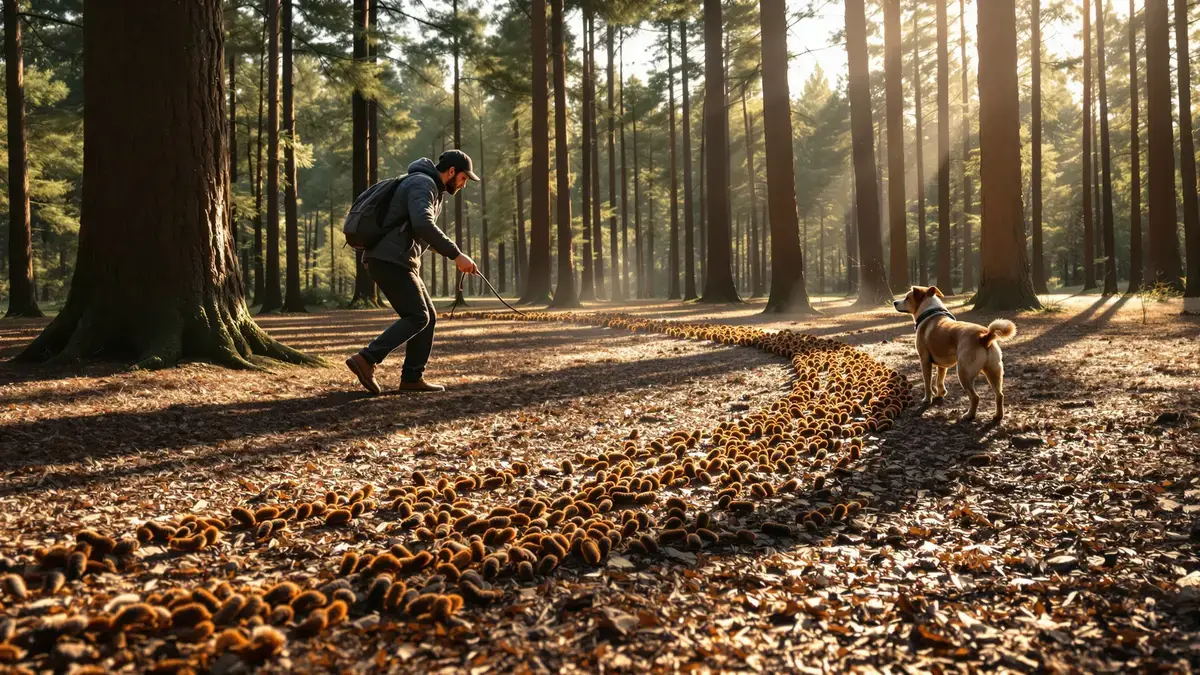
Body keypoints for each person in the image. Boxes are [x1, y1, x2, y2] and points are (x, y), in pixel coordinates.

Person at [345, 150, 480, 394]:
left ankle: (411, 378)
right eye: (463, 178)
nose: (463, 184)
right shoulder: (423, 183)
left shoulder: (427, 186)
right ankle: (366, 359)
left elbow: (416, 228)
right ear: (451, 172)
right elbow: (422, 223)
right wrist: (456, 254)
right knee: (418, 316)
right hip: (389, 260)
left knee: (427, 316)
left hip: (396, 260)